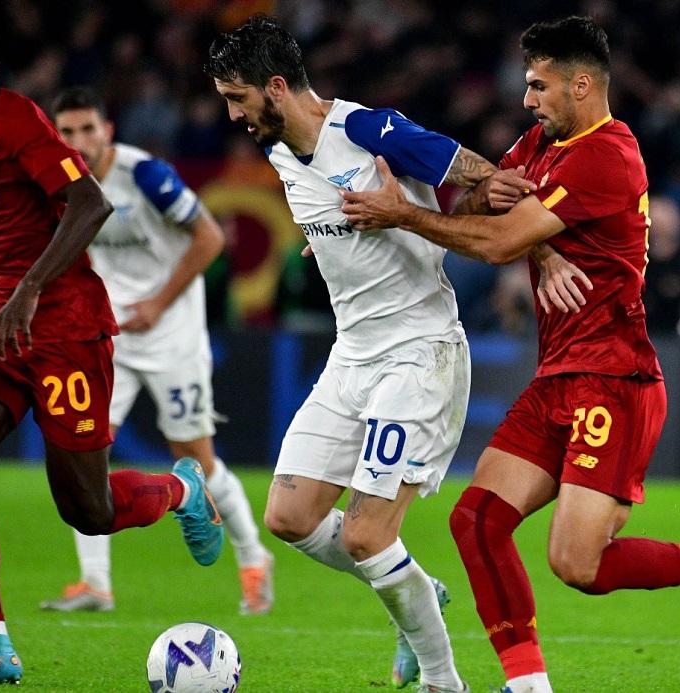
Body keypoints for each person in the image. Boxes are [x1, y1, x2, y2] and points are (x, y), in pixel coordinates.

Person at [339, 16, 680, 693]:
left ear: (581, 84)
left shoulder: (608, 154)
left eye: (539, 86)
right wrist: (516, 221)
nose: (527, 100)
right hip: (558, 376)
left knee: (579, 564)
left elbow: (494, 242)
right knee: (476, 519)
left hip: (614, 379)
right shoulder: (542, 142)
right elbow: (477, 203)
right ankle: (527, 684)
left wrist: (403, 213)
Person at [0, 15, 224, 685]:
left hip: (62, 328)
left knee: (87, 510)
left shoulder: (15, 120)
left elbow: (89, 205)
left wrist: (28, 290)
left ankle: (181, 489)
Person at [204, 15, 516, 693]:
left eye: (237, 98)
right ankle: (413, 589)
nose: (231, 115)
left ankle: (444, 682)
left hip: (418, 354)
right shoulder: (281, 152)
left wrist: (536, 248)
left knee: (368, 536)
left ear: (275, 87)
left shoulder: (372, 131)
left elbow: (488, 180)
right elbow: (336, 221)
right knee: (289, 517)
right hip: (352, 356)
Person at [39, 86, 275, 616]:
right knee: (82, 451)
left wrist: (158, 304)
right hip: (111, 337)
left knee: (197, 462)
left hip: (172, 335)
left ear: (107, 131)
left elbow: (210, 238)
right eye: (67, 132)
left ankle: (254, 557)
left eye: (87, 129)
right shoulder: (62, 184)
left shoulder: (146, 175)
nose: (79, 141)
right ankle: (95, 584)